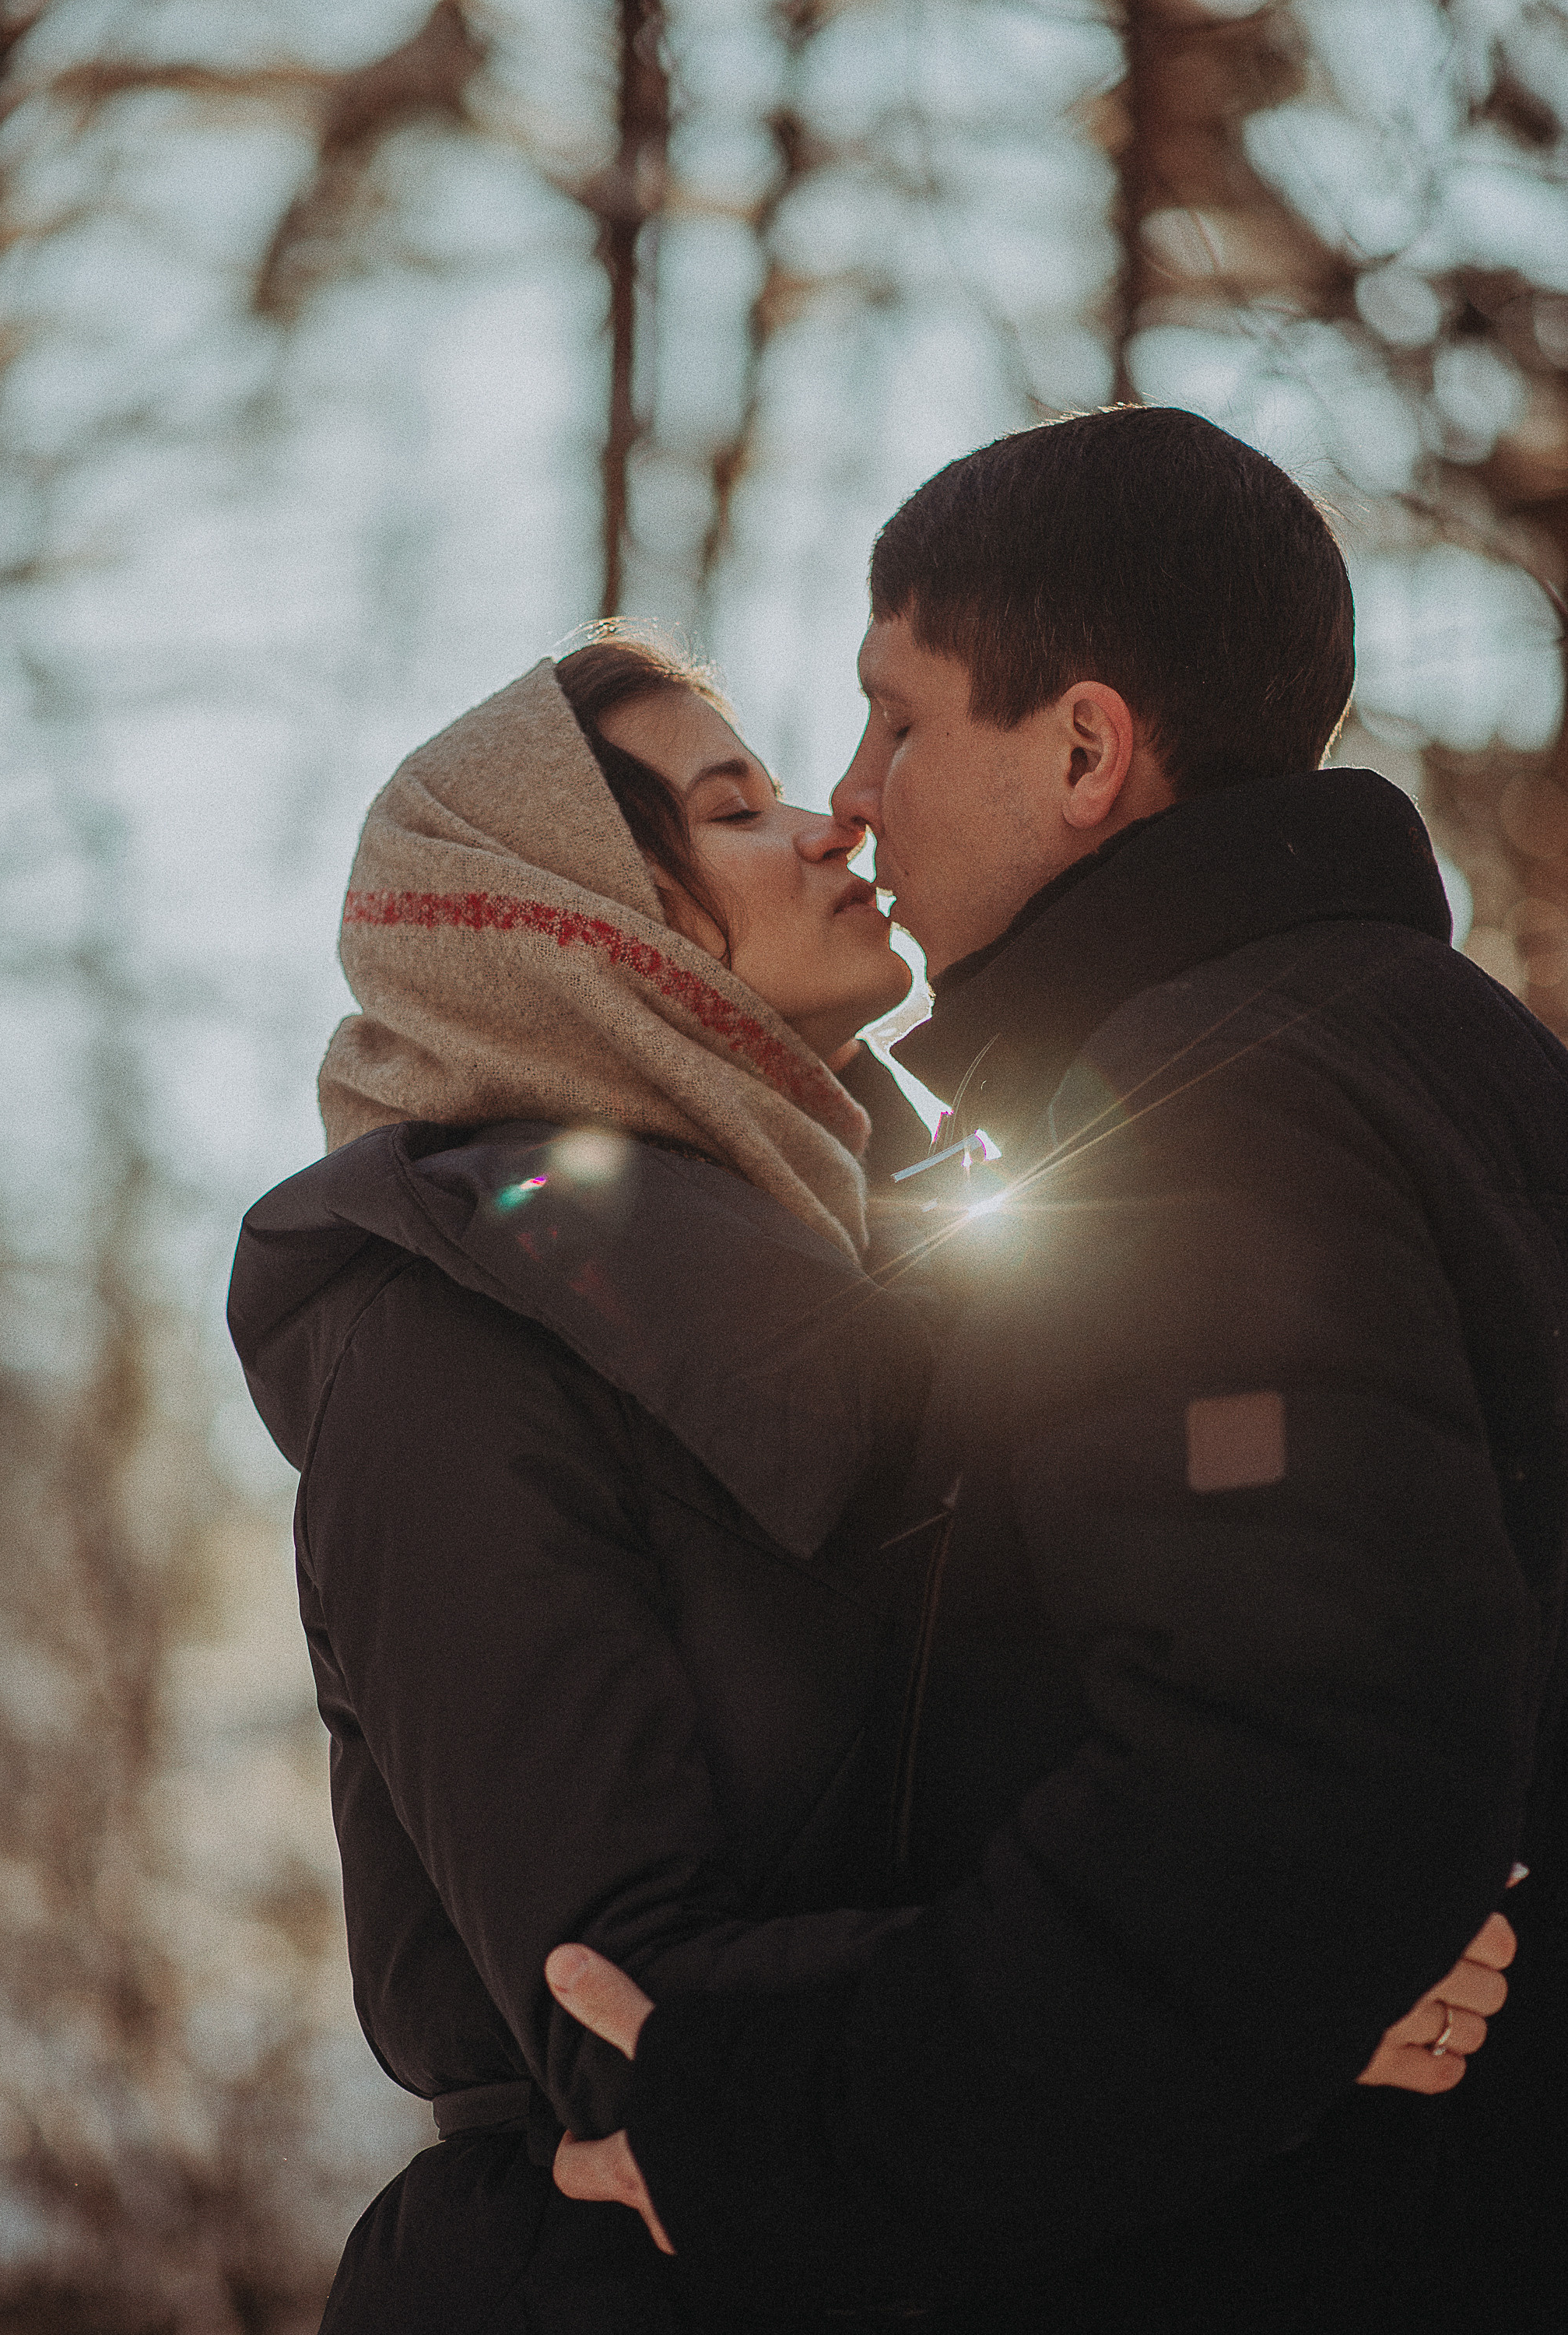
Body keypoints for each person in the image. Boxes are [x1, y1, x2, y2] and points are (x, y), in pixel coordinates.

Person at [229, 624, 1507, 2333]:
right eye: (734, 806)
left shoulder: (965, 1286)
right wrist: (1250, 2002)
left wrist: (1283, 1920)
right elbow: (619, 2013)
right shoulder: (449, 1346)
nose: (835, 820)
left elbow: (1107, 1790)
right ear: (587, 920)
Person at [546, 410, 1567, 2333]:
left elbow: (1291, 1793)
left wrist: (789, 2120)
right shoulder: (1456, 1061)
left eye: (896, 718)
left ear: (1085, 750)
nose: (851, 798)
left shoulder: (1207, 1118)